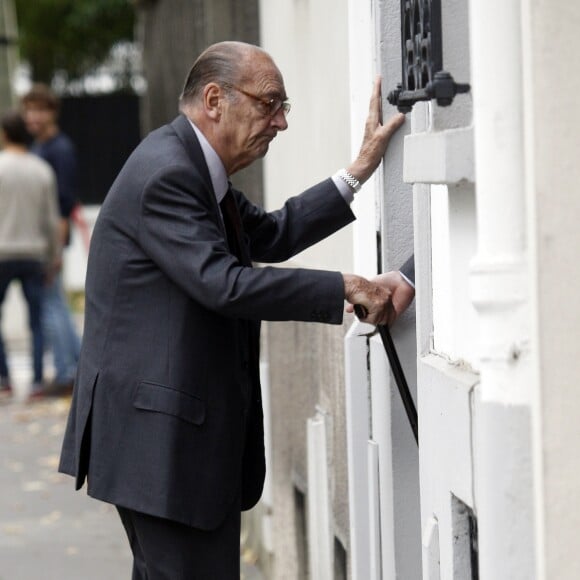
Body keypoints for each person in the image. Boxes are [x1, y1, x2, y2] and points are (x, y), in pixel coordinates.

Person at [59, 41, 409, 578]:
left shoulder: (196, 168)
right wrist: (346, 286)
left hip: (167, 442)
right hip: (160, 447)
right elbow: (224, 285)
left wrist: (359, 169)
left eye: (284, 108)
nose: (280, 123)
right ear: (215, 99)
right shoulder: (169, 174)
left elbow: (271, 233)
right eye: (270, 104)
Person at [21, 84, 82, 395]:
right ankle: (76, 366)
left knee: (51, 307)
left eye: (38, 110)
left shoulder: (59, 149)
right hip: (39, 239)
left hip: (51, 240)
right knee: (55, 303)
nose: (32, 116)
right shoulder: (37, 148)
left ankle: (67, 371)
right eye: (28, 110)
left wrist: (57, 249)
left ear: (51, 112)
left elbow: (63, 204)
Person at [0, 111, 60, 398]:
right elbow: (51, 218)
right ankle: (36, 380)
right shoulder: (41, 169)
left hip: (2, 252)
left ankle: (4, 379)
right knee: (36, 321)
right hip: (34, 253)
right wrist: (54, 255)